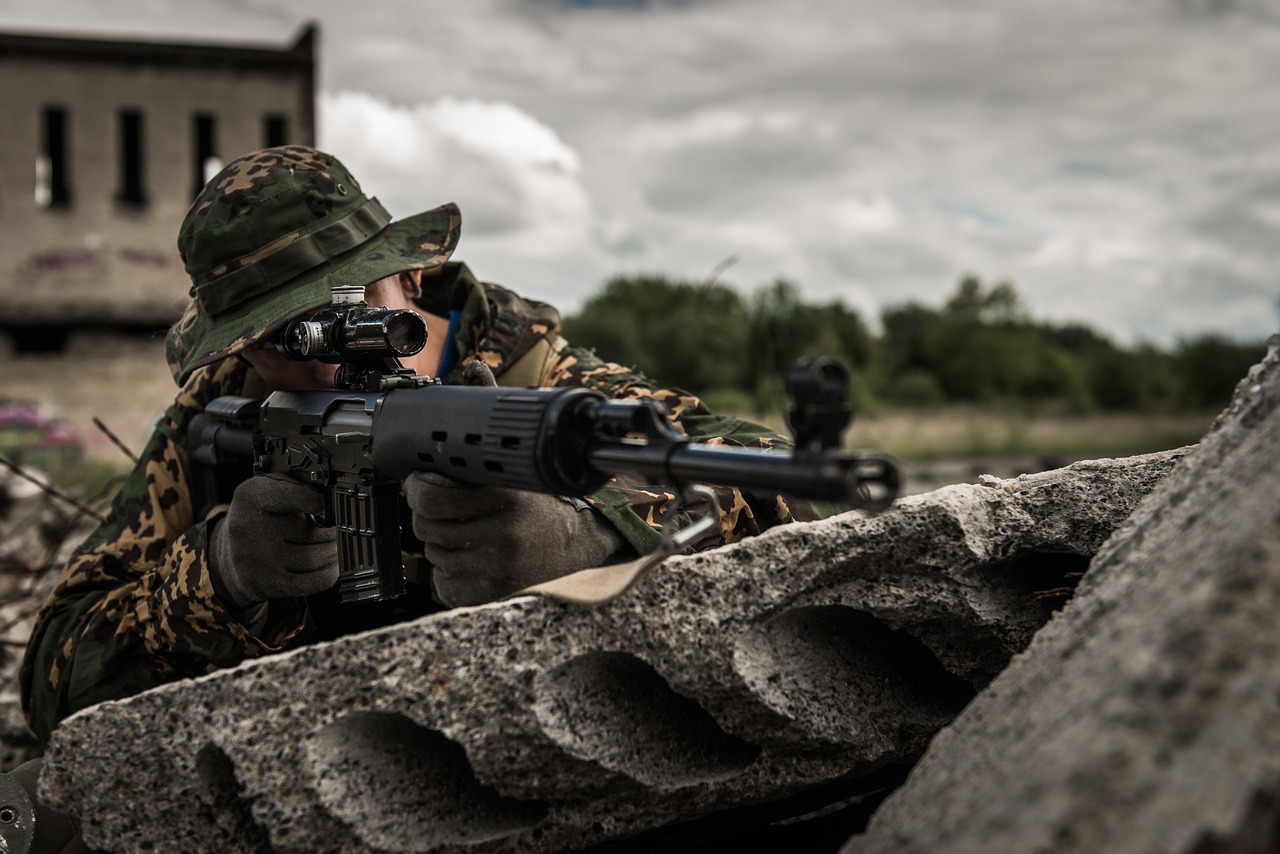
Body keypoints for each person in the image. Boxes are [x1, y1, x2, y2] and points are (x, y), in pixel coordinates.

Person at [19, 145, 826, 743]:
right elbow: (52, 673)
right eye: (281, 341)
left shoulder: (532, 376)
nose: (329, 357)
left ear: (409, 279)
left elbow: (780, 486)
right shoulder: (223, 412)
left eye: (350, 306)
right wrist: (220, 575)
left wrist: (588, 539)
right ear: (238, 349)